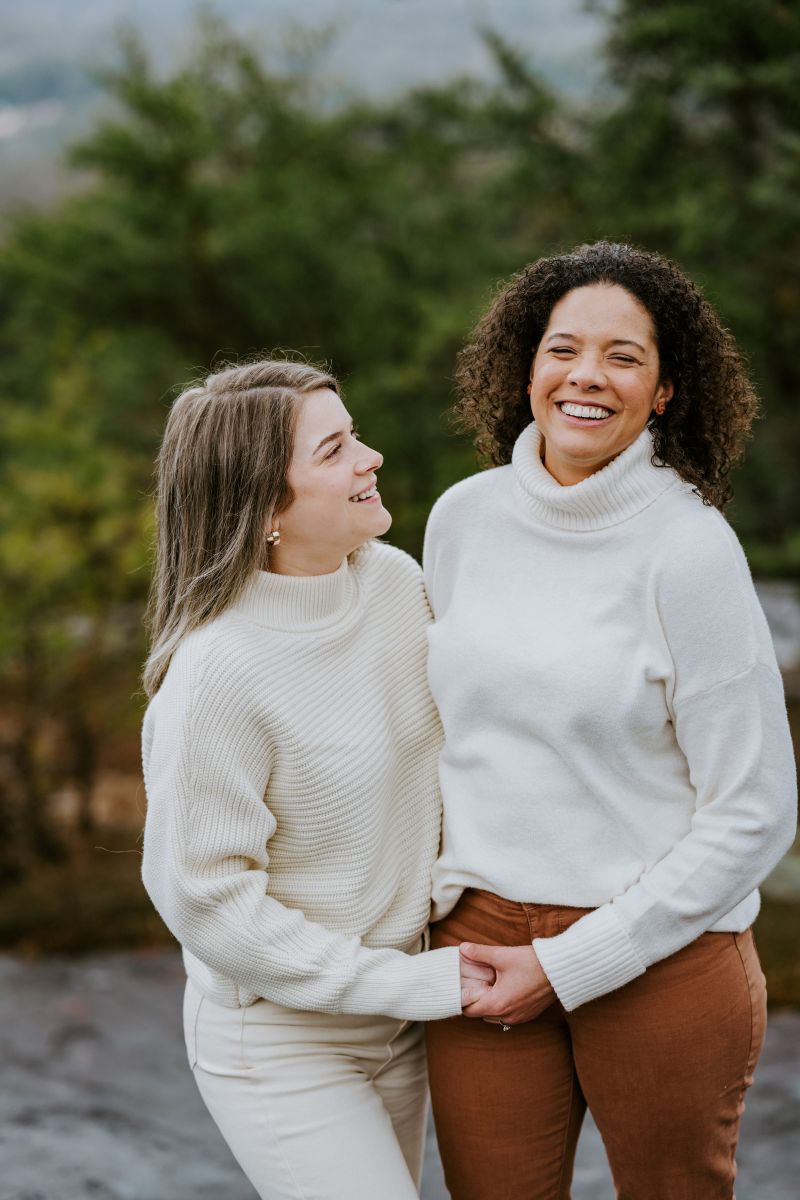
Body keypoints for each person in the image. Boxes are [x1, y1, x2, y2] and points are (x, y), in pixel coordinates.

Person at [423, 241, 798, 1200]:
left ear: (666, 392)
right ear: (527, 367)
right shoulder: (462, 518)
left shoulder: (689, 550)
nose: (587, 376)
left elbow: (755, 809)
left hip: (657, 952)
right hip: (480, 946)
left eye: (624, 357)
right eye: (564, 349)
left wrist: (576, 959)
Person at [140, 359, 490, 1200]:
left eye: (354, 434)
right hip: (283, 1040)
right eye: (334, 450)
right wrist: (412, 982)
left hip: (401, 1017)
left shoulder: (398, 585)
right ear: (264, 506)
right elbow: (206, 899)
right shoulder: (216, 673)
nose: (369, 458)